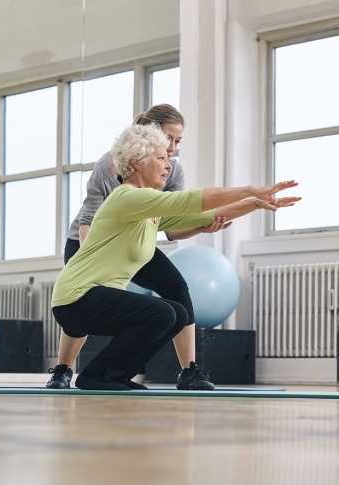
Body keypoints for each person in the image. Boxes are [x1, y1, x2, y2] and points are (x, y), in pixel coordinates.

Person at [51, 123, 299, 391]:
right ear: (137, 162)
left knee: (178, 314)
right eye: (161, 158)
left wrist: (257, 203)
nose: (168, 165)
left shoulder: (148, 209)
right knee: (162, 313)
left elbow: (208, 214)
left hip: (95, 301)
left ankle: (115, 375)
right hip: (76, 299)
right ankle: (97, 375)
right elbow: (194, 200)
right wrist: (251, 189)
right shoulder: (128, 198)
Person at [48, 104, 230, 390]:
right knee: (85, 299)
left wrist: (200, 226)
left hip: (134, 241)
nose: (172, 148)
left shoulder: (172, 170)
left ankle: (189, 371)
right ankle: (62, 370)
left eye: (178, 141)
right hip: (88, 239)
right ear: (149, 133)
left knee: (177, 289)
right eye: (168, 138)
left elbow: (171, 225)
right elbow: (88, 220)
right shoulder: (109, 164)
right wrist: (95, 265)